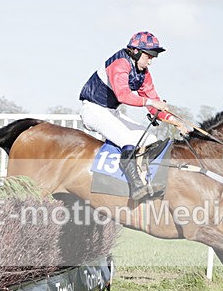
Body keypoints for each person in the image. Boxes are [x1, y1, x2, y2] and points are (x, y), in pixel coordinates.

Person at [79, 31, 185, 201]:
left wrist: (174, 121)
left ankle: (145, 179)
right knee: (128, 139)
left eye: (153, 56)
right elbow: (123, 95)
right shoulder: (120, 64)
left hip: (111, 112)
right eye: (149, 55)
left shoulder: (144, 72)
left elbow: (154, 101)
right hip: (93, 110)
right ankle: (136, 187)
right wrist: (151, 103)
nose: (151, 59)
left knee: (150, 138)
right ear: (135, 51)